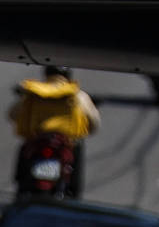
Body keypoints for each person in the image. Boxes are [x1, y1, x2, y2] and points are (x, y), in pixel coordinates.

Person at [8, 64, 102, 195]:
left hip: (37, 139)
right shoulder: (78, 95)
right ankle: (74, 190)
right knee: (78, 147)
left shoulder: (34, 92)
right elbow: (93, 121)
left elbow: (12, 114)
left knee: (24, 148)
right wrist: (87, 131)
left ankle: (20, 181)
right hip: (65, 142)